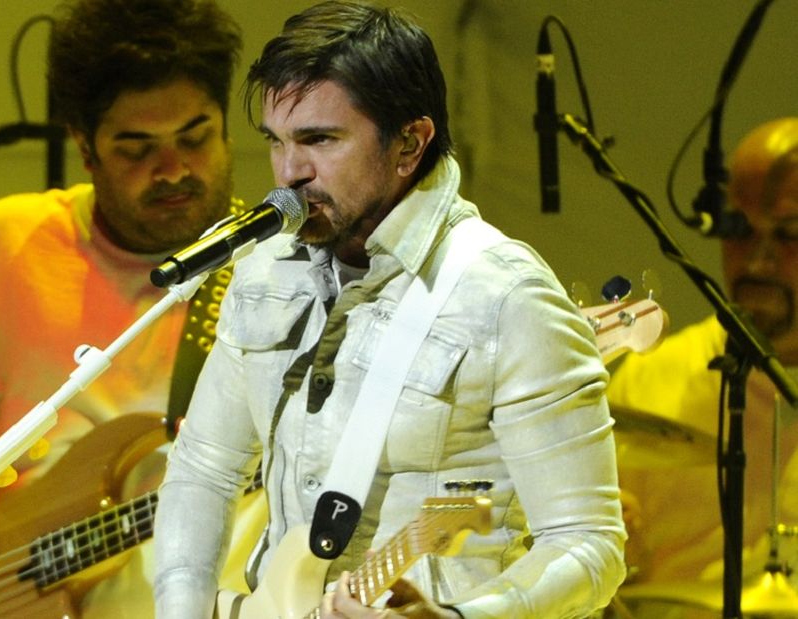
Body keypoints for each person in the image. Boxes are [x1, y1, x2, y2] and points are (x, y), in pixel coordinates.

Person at [153, 2, 627, 618]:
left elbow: (589, 544)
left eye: (319, 140)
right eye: (277, 142)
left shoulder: (506, 296)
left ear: (410, 141)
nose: (288, 174)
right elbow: (202, 474)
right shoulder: (263, 269)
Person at [0, 1, 258, 617]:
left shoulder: (280, 277)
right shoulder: (3, 246)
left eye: (194, 137)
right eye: (136, 149)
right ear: (83, 148)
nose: (172, 170)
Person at [608, 118, 798, 615]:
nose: (757, 262)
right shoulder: (652, 378)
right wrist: (608, 552)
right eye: (738, 228)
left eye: (790, 234)